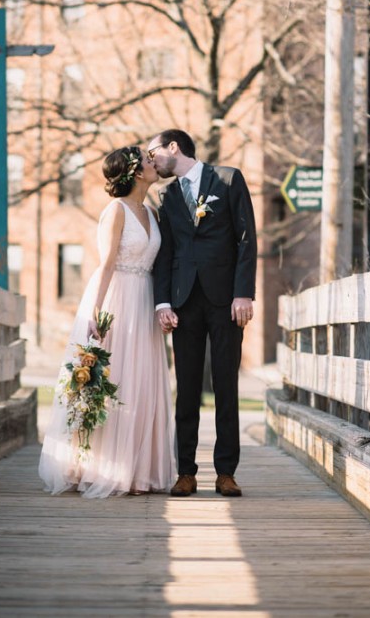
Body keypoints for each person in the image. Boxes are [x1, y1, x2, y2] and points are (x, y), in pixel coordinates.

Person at [39, 145, 176, 498]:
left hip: (145, 300)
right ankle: (99, 466)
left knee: (141, 382)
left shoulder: (150, 210)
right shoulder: (115, 211)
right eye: (147, 160)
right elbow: (106, 264)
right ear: (133, 172)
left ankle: (138, 471)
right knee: (115, 381)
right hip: (118, 299)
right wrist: (94, 314)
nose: (153, 162)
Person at [148, 129, 257, 497]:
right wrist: (162, 302)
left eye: (154, 153)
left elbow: (246, 239)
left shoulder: (227, 179)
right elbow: (165, 254)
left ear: (173, 148)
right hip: (183, 302)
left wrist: (244, 293)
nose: (151, 161)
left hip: (226, 300)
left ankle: (226, 472)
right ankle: (186, 472)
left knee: (227, 385)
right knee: (188, 389)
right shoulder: (165, 195)